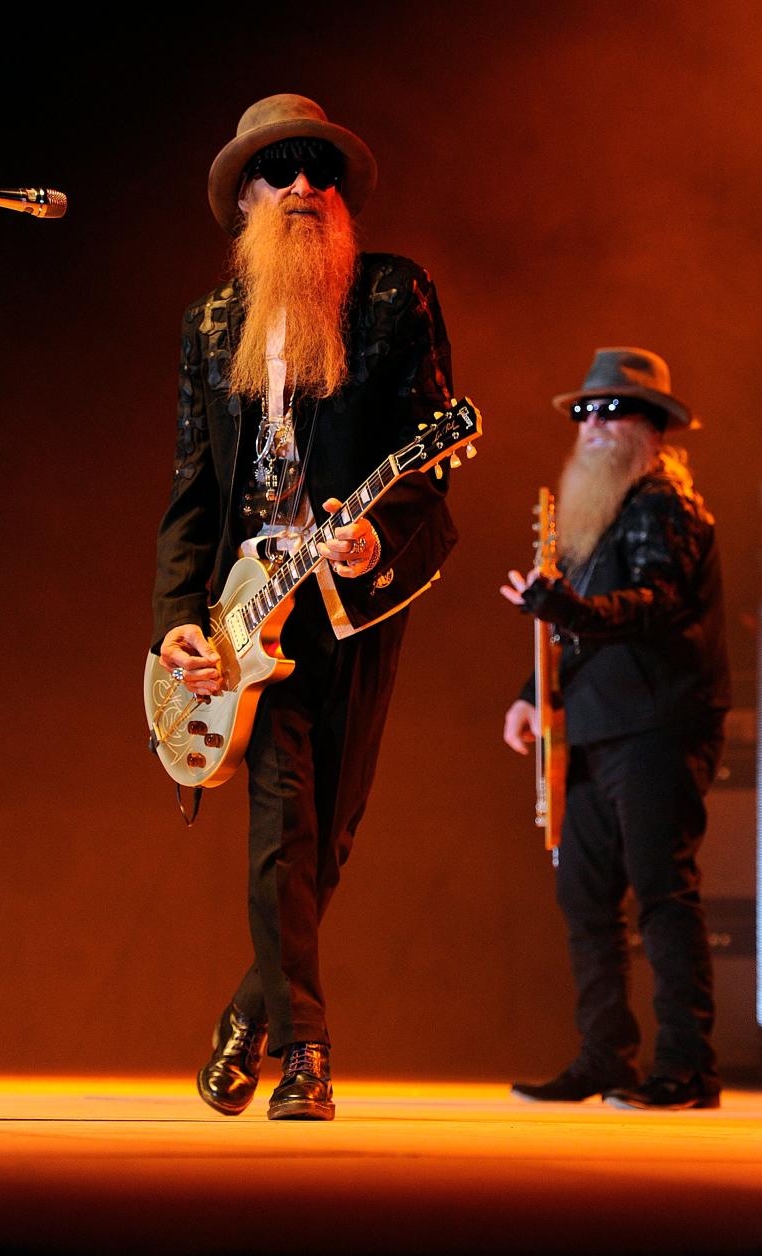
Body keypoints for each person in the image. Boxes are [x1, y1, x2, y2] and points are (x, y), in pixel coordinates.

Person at [151, 94, 457, 1121]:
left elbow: (429, 454)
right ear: (243, 196)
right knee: (281, 823)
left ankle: (248, 1013)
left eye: (316, 168)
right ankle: (307, 1051)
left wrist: (377, 532)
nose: (301, 187)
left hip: (354, 604)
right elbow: (194, 491)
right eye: (277, 169)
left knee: (330, 840)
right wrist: (176, 620)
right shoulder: (210, 326)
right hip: (250, 610)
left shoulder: (391, 296)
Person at [501, 348, 730, 1110]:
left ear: (653, 427)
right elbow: (575, 629)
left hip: (660, 723)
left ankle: (687, 1067)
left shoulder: (668, 504)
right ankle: (606, 1058)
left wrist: (559, 608)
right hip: (597, 727)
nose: (593, 424)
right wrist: (536, 693)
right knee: (586, 898)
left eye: (612, 410)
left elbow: (650, 605)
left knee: (663, 890)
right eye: (584, 412)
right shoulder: (601, 516)